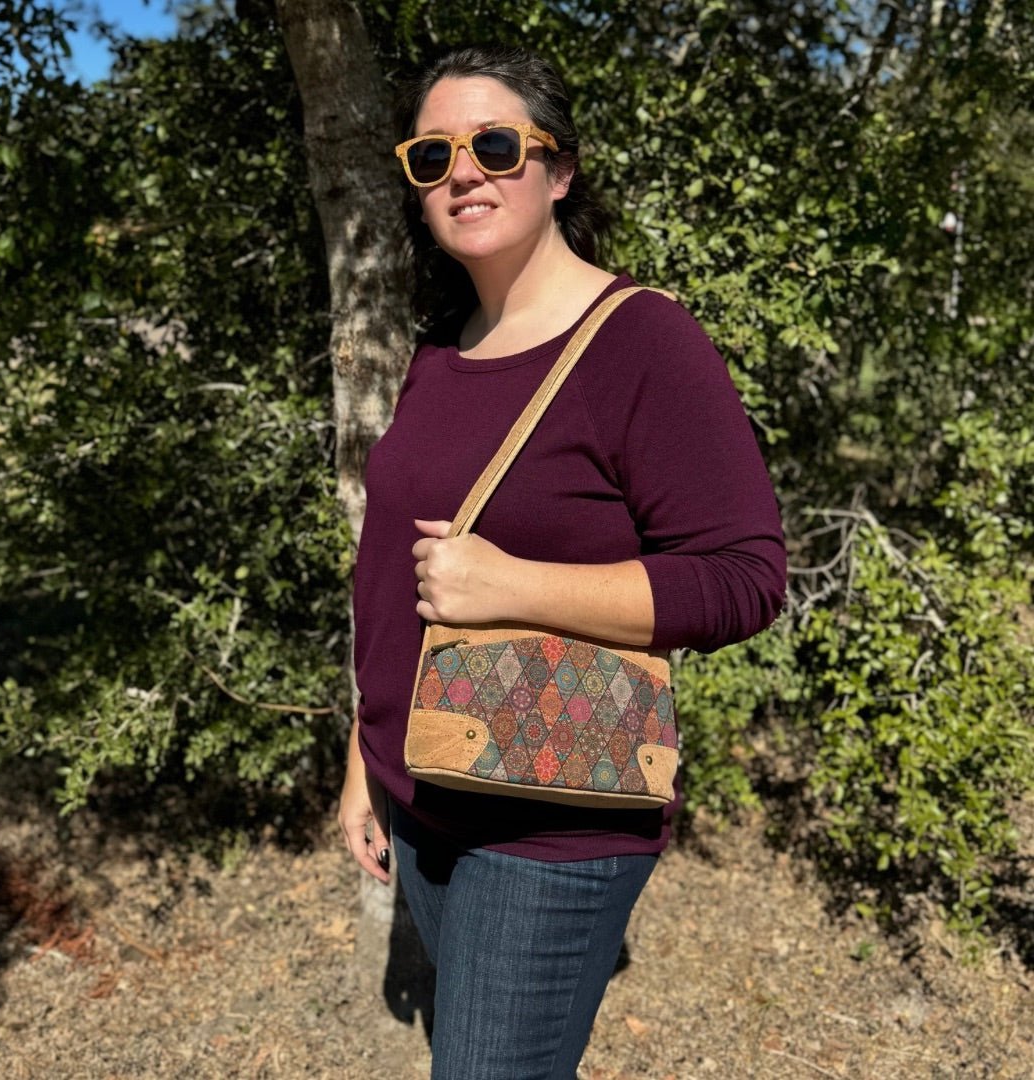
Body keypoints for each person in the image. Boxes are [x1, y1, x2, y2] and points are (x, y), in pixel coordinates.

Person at [338, 45, 786, 1080]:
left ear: (560, 169)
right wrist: (362, 762)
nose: (463, 171)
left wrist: (514, 585)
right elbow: (390, 585)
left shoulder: (642, 341)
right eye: (431, 153)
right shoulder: (441, 355)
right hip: (423, 793)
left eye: (496, 144)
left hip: (551, 818)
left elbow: (745, 575)